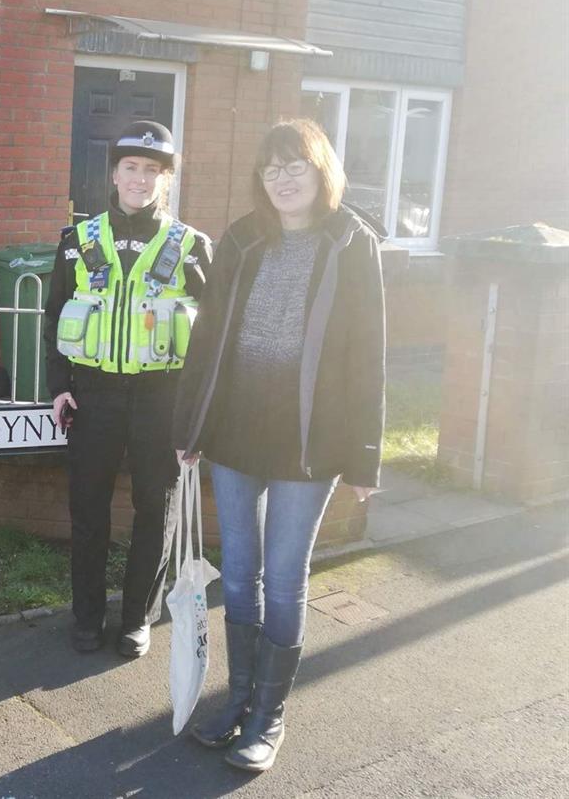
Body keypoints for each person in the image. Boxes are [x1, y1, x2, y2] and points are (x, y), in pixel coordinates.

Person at [172, 118, 385, 772]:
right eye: (273, 168)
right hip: (236, 436)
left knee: (285, 582)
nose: (285, 178)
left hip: (308, 446)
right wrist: (191, 429)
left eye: (297, 166)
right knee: (239, 576)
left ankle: (269, 715)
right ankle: (238, 700)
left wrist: (365, 456)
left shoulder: (351, 242)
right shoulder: (241, 240)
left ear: (322, 171)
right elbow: (207, 340)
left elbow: (366, 355)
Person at [44, 120, 212, 659]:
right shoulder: (78, 241)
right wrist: (58, 388)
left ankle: (138, 617)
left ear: (165, 180)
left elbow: (211, 337)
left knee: (153, 511)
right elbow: (53, 319)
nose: (141, 179)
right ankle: (87, 617)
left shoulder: (190, 247)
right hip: (92, 396)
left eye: (153, 170)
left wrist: (197, 412)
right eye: (132, 167)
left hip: (162, 399)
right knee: (88, 510)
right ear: (115, 173)